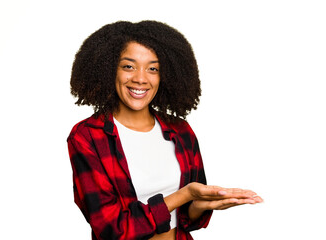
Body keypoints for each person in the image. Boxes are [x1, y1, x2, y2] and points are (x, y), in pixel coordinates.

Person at [67, 20, 263, 240]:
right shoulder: (87, 136)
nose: (141, 78)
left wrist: (200, 204)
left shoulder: (180, 131)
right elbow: (112, 228)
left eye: (153, 69)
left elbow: (187, 220)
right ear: (109, 69)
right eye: (129, 66)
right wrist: (184, 194)